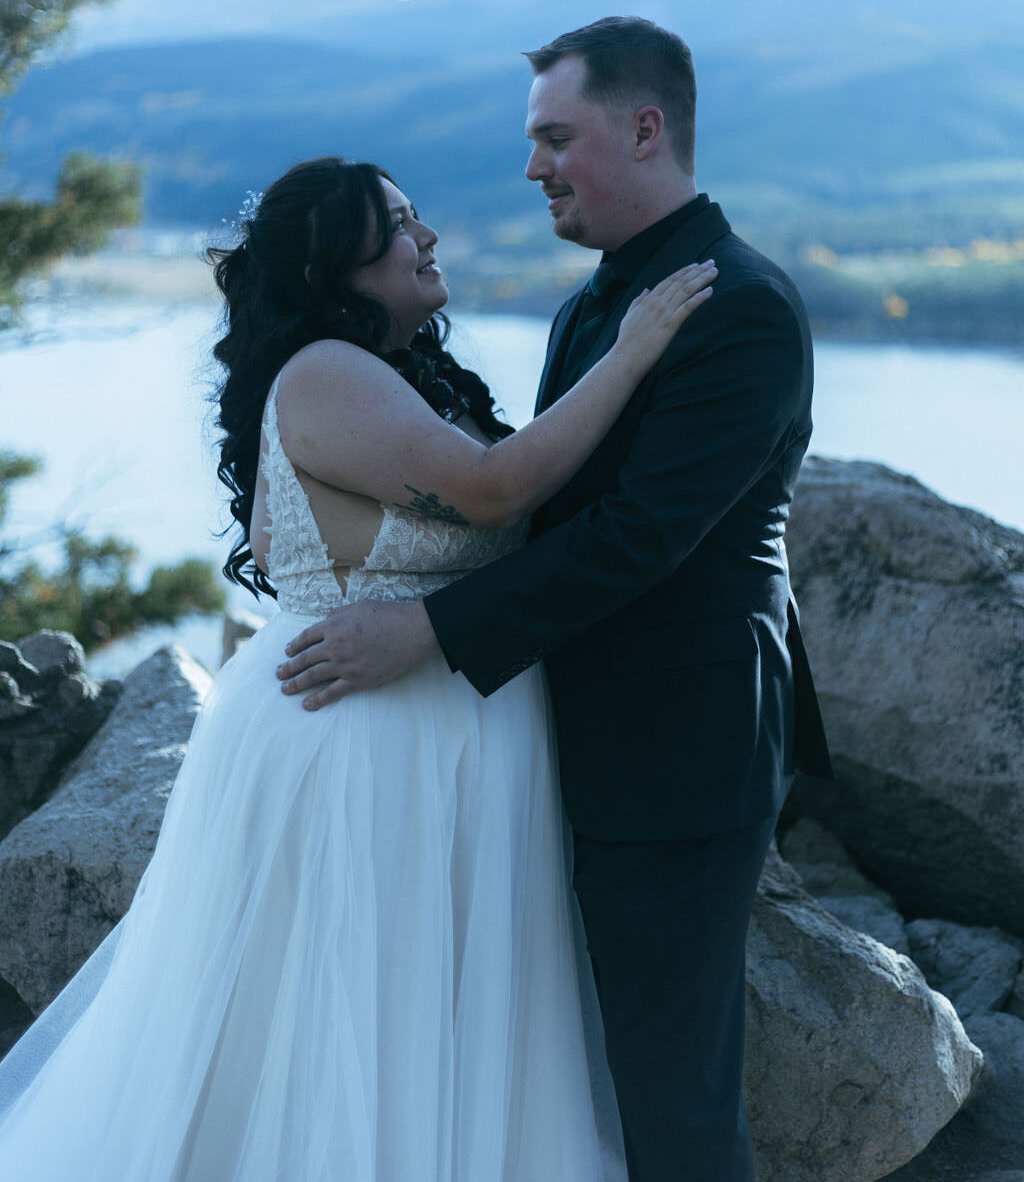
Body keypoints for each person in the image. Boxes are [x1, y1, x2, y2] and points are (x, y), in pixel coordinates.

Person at [0, 154, 716, 1181]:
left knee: (438, 1034)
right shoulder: (325, 375)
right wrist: (634, 352)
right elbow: (490, 491)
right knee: (352, 1033)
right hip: (361, 741)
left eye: (421, 217)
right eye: (399, 223)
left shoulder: (401, 374)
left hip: (452, 732)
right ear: (334, 264)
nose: (427, 238)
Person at [278, 18, 834, 1182]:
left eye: (552, 138)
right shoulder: (598, 307)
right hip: (557, 741)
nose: (531, 167)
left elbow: (641, 538)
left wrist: (423, 629)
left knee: (667, 1094)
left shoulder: (738, 306)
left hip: (676, 749)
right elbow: (525, 501)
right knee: (566, 1071)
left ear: (643, 129)